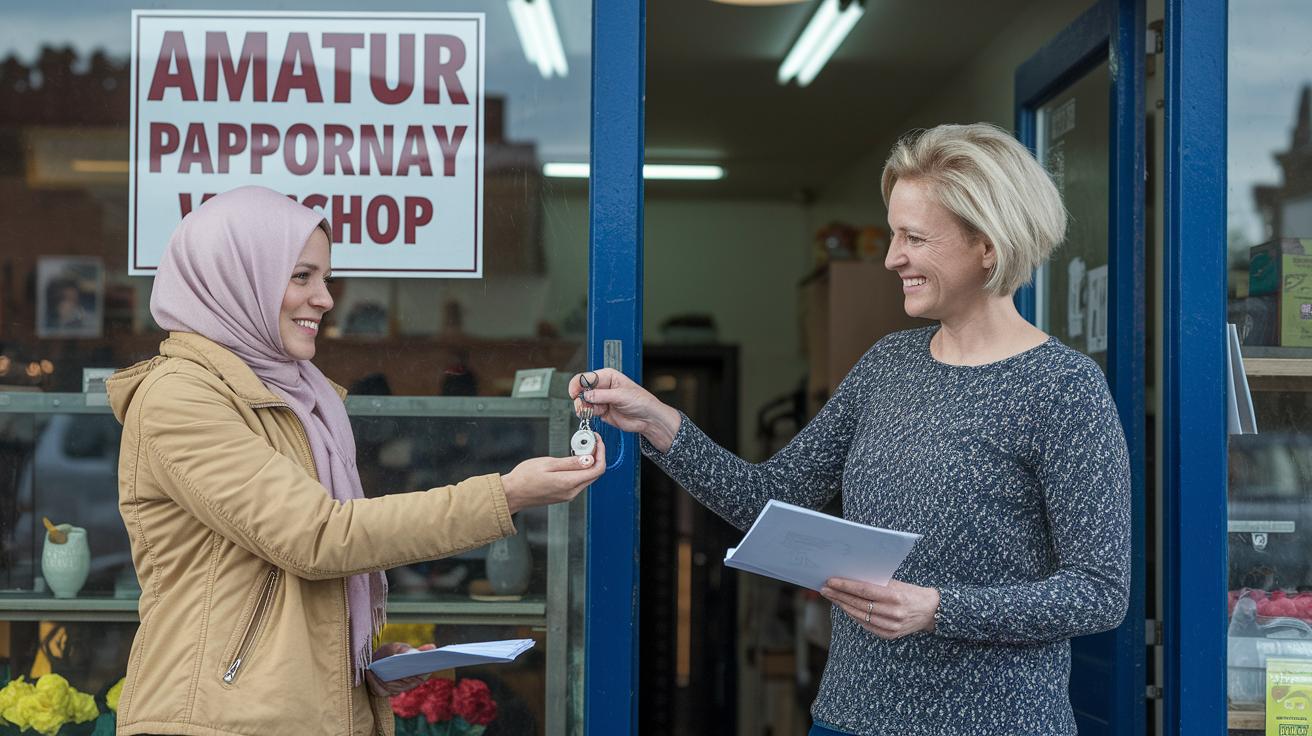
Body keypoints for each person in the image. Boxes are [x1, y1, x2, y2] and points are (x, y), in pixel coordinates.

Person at [570, 123, 1130, 735]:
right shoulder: (888, 364)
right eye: (894, 235)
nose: (893, 258)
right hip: (850, 719)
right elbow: (768, 499)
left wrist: (941, 609)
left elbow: (1099, 591)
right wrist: (658, 422)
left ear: (988, 246)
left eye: (914, 237)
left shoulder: (1063, 388)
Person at [106, 186, 604, 736]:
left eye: (324, 278)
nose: (324, 298)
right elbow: (316, 538)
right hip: (215, 719)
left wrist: (356, 662)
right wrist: (505, 495)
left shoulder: (301, 395)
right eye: (301, 276)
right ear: (236, 276)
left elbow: (285, 581)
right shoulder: (180, 397)